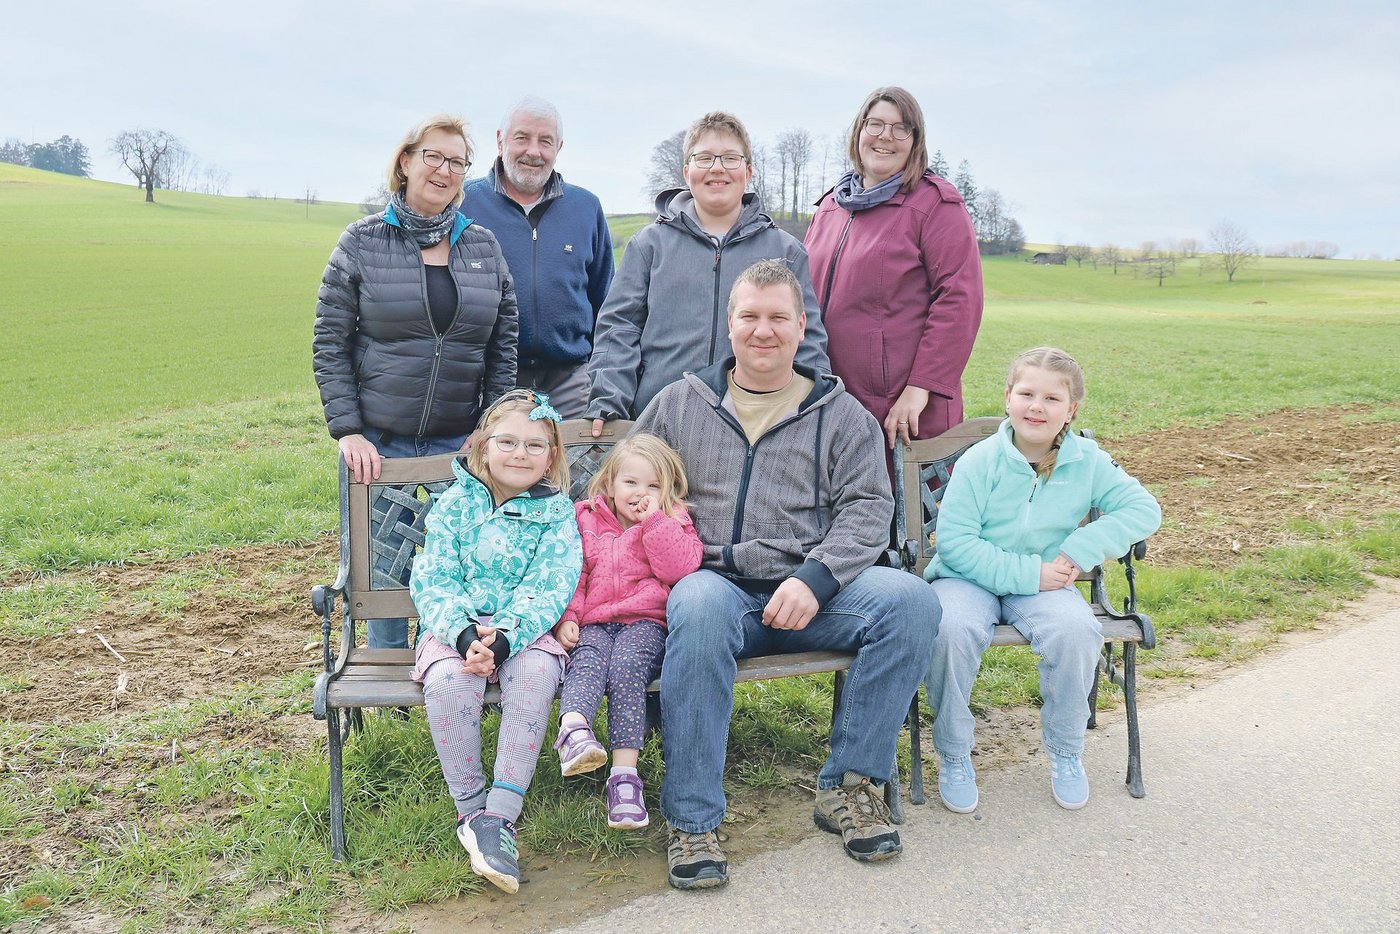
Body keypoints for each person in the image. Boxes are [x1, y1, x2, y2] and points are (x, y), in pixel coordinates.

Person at [633, 259, 938, 890]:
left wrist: (817, 578)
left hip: (814, 594)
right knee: (695, 602)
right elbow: (628, 482)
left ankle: (849, 787)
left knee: (912, 601)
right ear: (730, 323)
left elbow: (868, 508)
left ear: (802, 326)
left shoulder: (840, 413)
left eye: (778, 317)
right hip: (717, 587)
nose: (763, 330)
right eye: (750, 316)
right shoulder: (679, 405)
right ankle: (692, 821)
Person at [924, 348, 1161, 813]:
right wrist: (1030, 572)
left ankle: (1066, 750)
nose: (1037, 407)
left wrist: (1078, 551)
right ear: (1008, 398)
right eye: (1026, 394)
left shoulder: (1087, 461)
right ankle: (953, 752)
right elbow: (954, 543)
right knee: (950, 628)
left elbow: (1143, 509)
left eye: (1052, 398)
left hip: (1047, 583)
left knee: (1076, 630)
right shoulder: (980, 461)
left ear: (1071, 410)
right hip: (966, 579)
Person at [313, 114, 518, 649]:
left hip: (460, 445)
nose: (444, 170)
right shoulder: (362, 242)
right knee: (384, 568)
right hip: (380, 445)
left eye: (457, 162)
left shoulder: (483, 247)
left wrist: (489, 429)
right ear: (405, 162)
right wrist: (348, 431)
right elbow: (330, 342)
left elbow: (503, 347)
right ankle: (386, 669)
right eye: (434, 156)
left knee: (460, 566)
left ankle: (441, 664)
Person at [407, 389, 582, 894]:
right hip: (453, 629)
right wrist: (465, 635)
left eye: (534, 445)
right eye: (508, 442)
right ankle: (470, 810)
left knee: (537, 674)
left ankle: (500, 816)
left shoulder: (556, 513)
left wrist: (504, 638)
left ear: (551, 455)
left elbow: (550, 584)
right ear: (483, 446)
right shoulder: (453, 506)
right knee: (449, 681)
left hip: (523, 631)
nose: (520, 454)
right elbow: (435, 578)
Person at [586, 110, 829, 430]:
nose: (717, 168)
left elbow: (807, 341)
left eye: (730, 158)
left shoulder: (786, 252)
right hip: (659, 424)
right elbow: (619, 329)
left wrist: (815, 410)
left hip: (754, 429)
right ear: (687, 172)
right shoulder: (649, 245)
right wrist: (608, 400)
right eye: (704, 158)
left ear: (748, 171)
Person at [804, 86, 983, 450]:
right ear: (859, 132)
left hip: (901, 407)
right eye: (875, 124)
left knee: (900, 489)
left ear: (915, 141)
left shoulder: (936, 206)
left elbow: (959, 300)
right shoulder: (831, 207)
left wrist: (921, 387)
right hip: (830, 397)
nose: (885, 136)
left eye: (901, 128)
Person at [550, 433, 703, 830]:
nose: (641, 493)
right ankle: (574, 731)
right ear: (610, 483)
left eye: (653, 485)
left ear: (668, 490)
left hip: (646, 621)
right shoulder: (585, 518)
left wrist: (654, 521)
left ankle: (624, 778)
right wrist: (568, 616)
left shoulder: (672, 521)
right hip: (594, 620)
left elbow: (679, 570)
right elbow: (573, 573)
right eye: (631, 482)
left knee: (626, 668)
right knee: (586, 661)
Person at [462, 97, 613, 418]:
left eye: (545, 141)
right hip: (488, 378)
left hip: (570, 380)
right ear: (500, 140)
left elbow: (606, 303)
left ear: (559, 147)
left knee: (578, 452)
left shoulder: (586, 208)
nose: (533, 151)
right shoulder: (464, 203)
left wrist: (600, 372)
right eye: (522, 138)